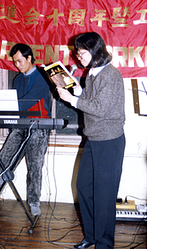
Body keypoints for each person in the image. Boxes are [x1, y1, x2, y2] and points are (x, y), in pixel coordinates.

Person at [57, 32, 125, 249]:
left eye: (82, 52)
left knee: (104, 196)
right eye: (77, 52)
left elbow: (100, 109)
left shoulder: (111, 75)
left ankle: (104, 244)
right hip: (94, 139)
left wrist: (72, 99)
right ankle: (92, 236)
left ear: (96, 51)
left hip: (109, 141)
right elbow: (91, 100)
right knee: (84, 187)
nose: (78, 57)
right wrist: (77, 90)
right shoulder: (92, 74)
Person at [0, 43, 51, 216]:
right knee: (2, 159)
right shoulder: (18, 79)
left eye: (20, 61)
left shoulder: (42, 77)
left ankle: (34, 202)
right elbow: (13, 103)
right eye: (15, 62)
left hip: (38, 127)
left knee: (35, 166)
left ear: (30, 58)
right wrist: (0, 112)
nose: (17, 65)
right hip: (20, 126)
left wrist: (5, 109)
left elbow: (29, 102)